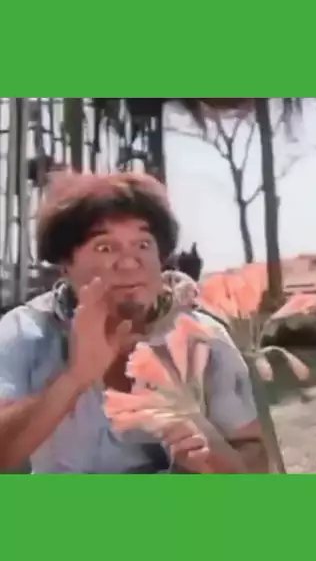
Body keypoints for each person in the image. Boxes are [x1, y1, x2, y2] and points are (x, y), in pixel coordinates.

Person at [0, 172, 269, 474]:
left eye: (143, 244)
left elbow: (257, 466)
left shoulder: (202, 338)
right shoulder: (25, 332)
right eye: (105, 247)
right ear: (66, 264)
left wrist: (212, 454)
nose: (129, 262)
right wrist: (76, 377)